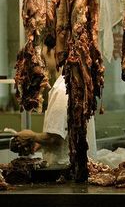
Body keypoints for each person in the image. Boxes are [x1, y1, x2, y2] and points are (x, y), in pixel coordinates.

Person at [15, 36, 97, 166]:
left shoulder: (62, 88)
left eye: (43, 55)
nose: (42, 61)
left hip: (64, 171)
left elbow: (55, 138)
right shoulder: (77, 81)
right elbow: (64, 132)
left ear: (54, 51)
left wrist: (31, 136)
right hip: (79, 167)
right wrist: (39, 143)